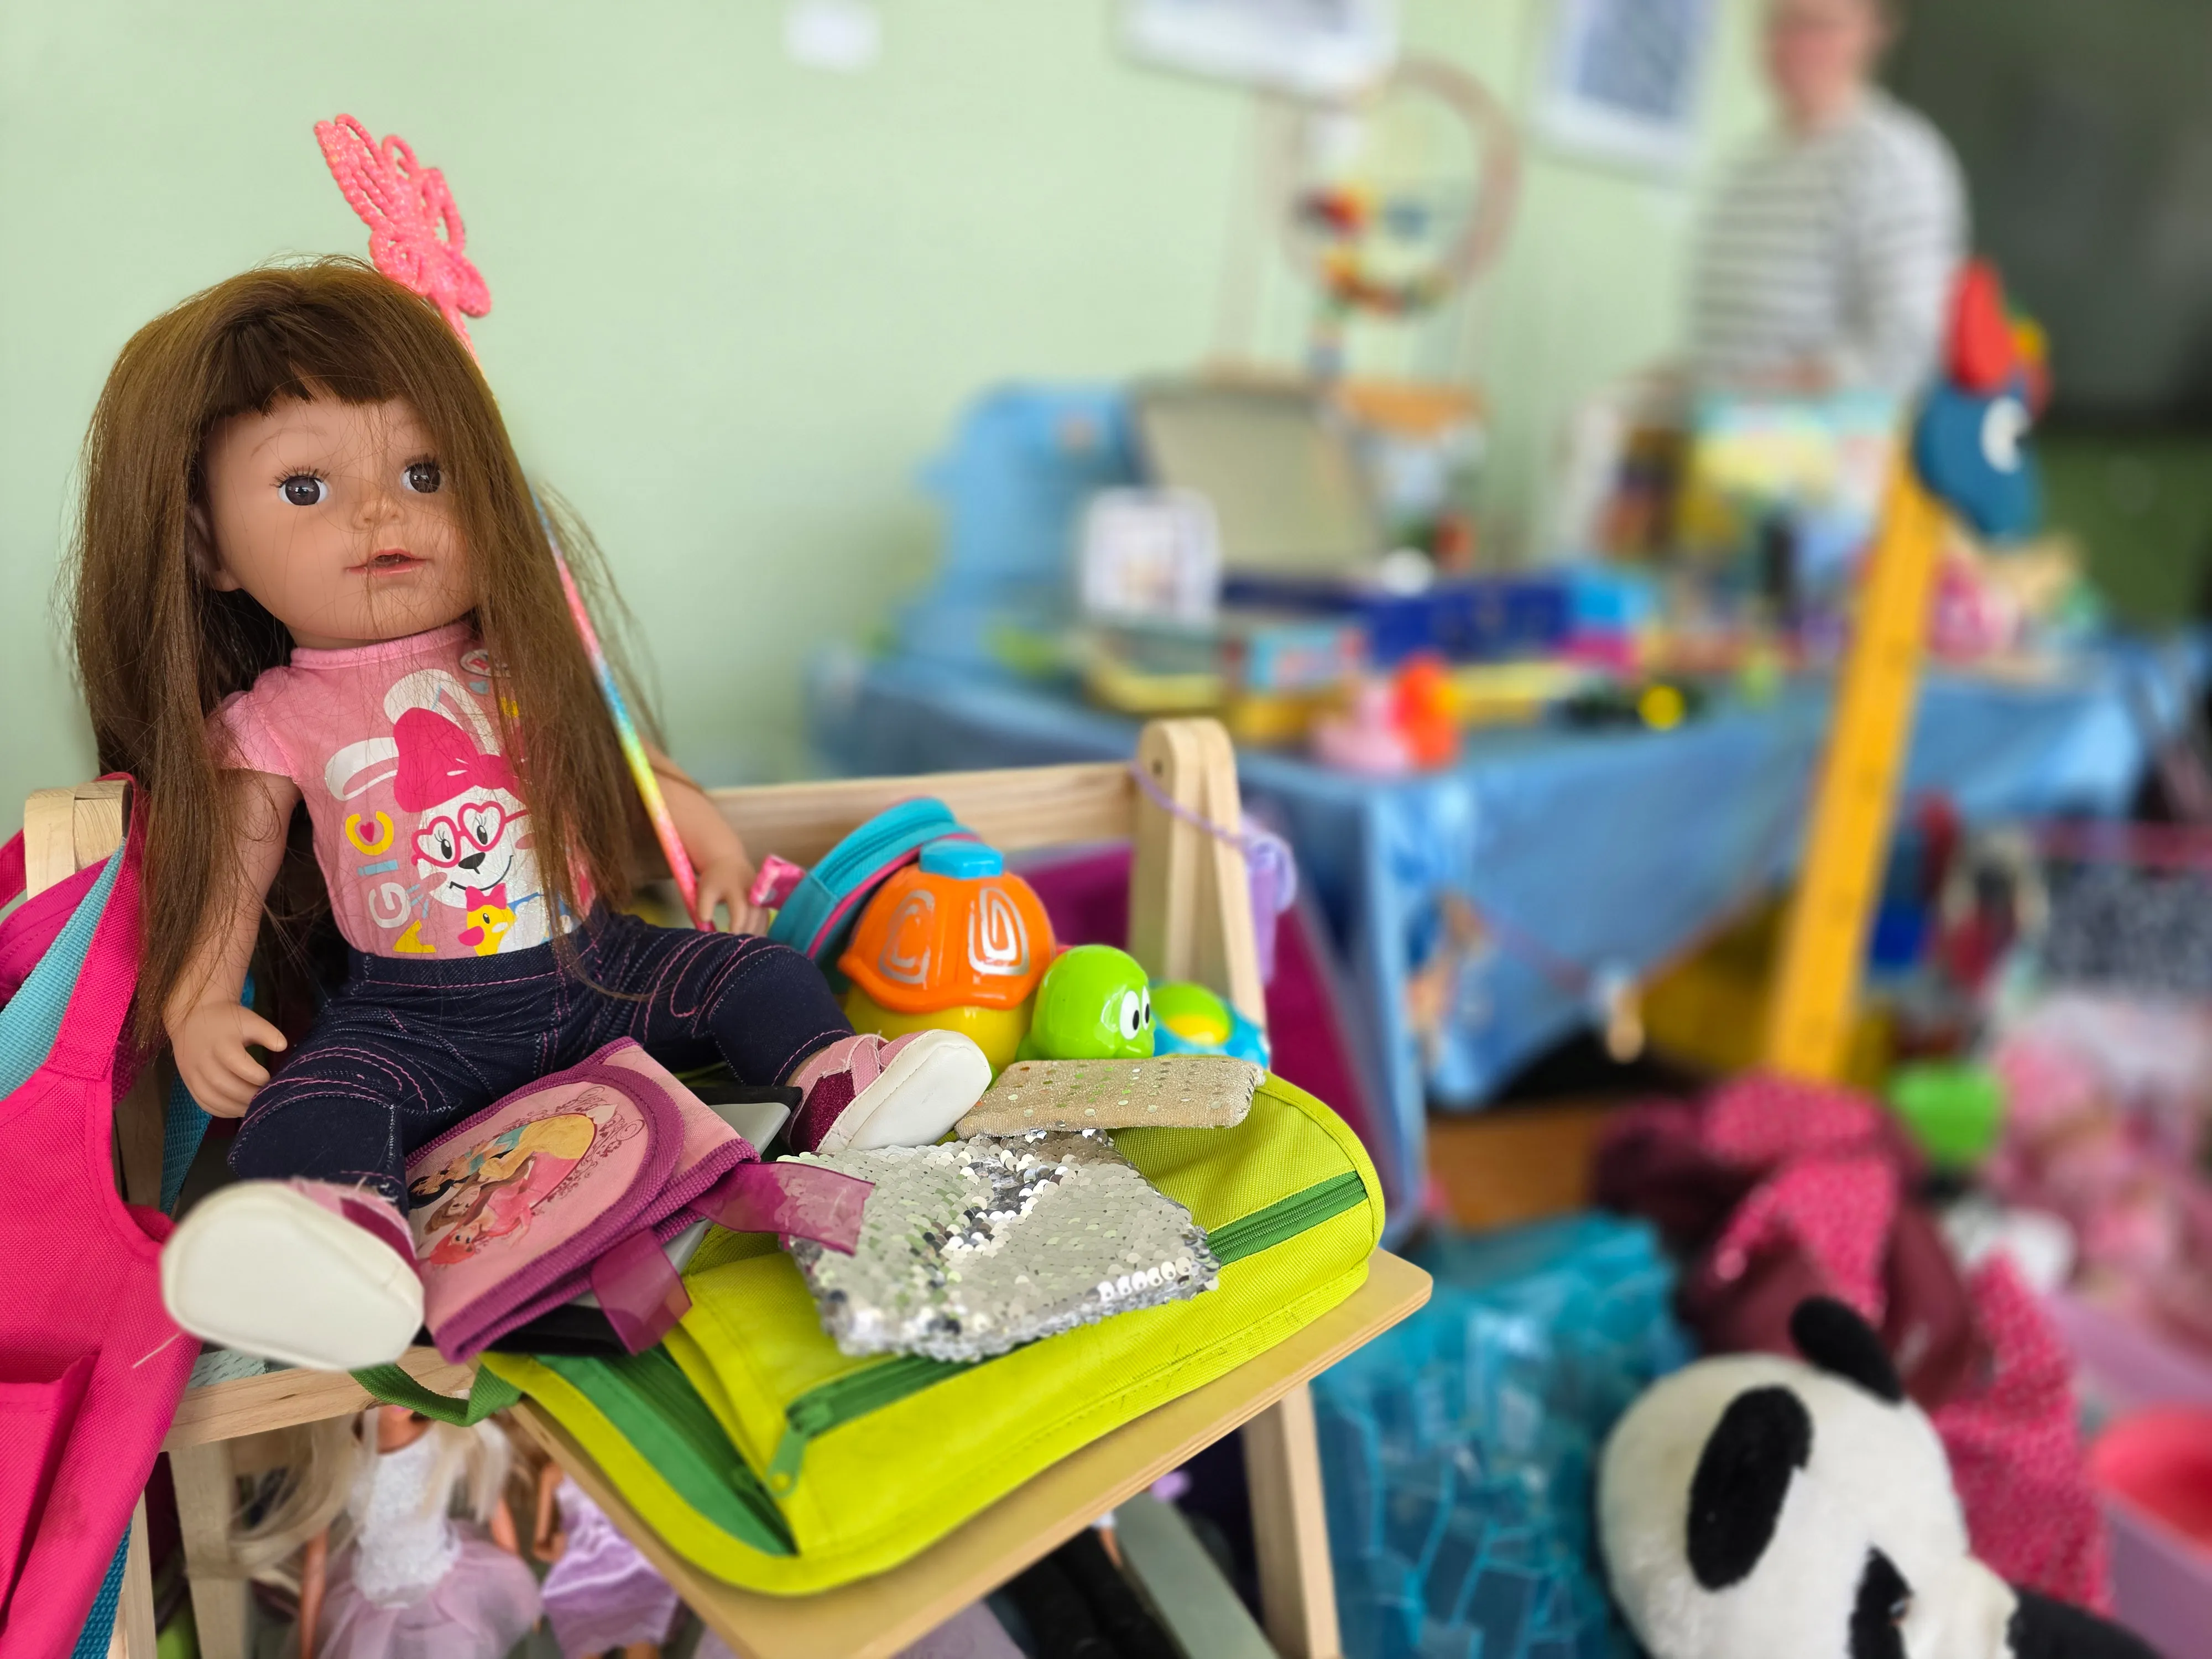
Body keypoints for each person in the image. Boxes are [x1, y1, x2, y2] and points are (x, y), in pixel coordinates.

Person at [67, 259, 995, 1372]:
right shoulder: (276, 720)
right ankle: (346, 1246)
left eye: (426, 471)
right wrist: (198, 1003)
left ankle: (837, 1086)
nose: (379, 511)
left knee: (753, 978)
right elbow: (236, 871)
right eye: (304, 488)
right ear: (209, 547)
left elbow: (623, 760)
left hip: (599, 968)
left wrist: (700, 835)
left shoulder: (521, 665)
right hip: (415, 1019)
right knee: (314, 1100)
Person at [1691, 0, 1966, 399]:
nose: (1794, 44)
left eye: (1819, 26)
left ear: (1876, 33)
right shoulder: (1743, 168)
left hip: (1824, 452)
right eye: (1780, 23)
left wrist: (1759, 398)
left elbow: (1908, 341)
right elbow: (1732, 351)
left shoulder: (1896, 161)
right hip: (1718, 445)